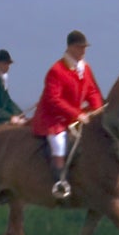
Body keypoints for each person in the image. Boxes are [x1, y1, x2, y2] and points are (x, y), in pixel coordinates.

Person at [31, 30, 104, 199]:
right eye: (80, 48)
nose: (83, 51)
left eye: (84, 48)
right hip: (53, 118)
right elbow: (53, 99)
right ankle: (59, 182)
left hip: (75, 116)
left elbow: (92, 91)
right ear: (70, 47)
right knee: (59, 144)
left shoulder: (84, 68)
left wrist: (97, 110)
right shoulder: (56, 70)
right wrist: (76, 114)